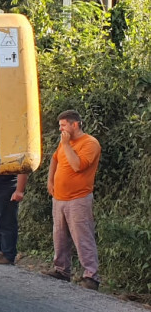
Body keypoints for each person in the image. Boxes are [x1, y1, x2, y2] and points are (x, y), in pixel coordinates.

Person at [44, 110, 102, 290]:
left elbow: (78, 166)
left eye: (63, 125)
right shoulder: (64, 143)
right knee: (59, 236)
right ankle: (62, 270)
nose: (60, 129)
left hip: (78, 198)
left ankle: (91, 276)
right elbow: (55, 159)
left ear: (74, 124)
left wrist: (67, 144)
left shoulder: (90, 143)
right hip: (59, 198)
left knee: (82, 236)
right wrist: (50, 180)